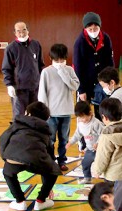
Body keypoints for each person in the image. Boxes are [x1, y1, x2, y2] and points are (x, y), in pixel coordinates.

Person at [0, 101, 62, 211]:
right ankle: (41, 201)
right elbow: (49, 151)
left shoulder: (16, 124)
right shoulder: (45, 130)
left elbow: (3, 139)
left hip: (14, 158)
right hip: (35, 160)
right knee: (53, 172)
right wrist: (50, 177)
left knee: (8, 173)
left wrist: (5, 157)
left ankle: (19, 201)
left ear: (27, 113)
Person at [38, 43, 80, 172]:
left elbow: (75, 86)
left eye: (62, 59)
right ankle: (50, 161)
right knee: (50, 139)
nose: (60, 62)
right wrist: (45, 111)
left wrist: (63, 72)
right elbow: (42, 93)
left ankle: (62, 160)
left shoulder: (69, 70)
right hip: (51, 113)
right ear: (51, 58)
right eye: (57, 60)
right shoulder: (46, 72)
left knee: (64, 139)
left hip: (66, 112)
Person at [73, 11, 114, 121]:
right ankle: (83, 138)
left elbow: (110, 62)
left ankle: (102, 137)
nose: (93, 32)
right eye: (90, 30)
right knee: (84, 115)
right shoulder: (79, 42)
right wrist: (81, 90)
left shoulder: (106, 39)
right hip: (85, 83)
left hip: (102, 83)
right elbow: (77, 67)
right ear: (85, 29)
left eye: (95, 29)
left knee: (103, 113)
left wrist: (110, 82)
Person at [2, 21, 45, 120]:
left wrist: (42, 82)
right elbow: (6, 68)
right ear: (15, 33)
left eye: (24, 30)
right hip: (19, 89)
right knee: (19, 115)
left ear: (28, 30)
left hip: (35, 88)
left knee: (35, 114)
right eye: (18, 31)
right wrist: (9, 85)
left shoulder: (36, 45)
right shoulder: (10, 48)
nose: (21, 33)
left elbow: (40, 65)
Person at [92, 98, 122, 184]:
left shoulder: (106, 135)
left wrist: (97, 171)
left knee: (114, 196)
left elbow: (103, 155)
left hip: (114, 176)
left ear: (104, 117)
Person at [65, 101, 104, 184]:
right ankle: (87, 178)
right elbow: (77, 134)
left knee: (103, 165)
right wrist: (70, 142)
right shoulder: (80, 124)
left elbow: (103, 134)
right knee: (85, 164)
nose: (81, 120)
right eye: (79, 117)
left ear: (90, 113)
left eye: (83, 117)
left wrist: (97, 143)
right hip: (90, 150)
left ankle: (110, 180)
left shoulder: (96, 123)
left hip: (100, 150)